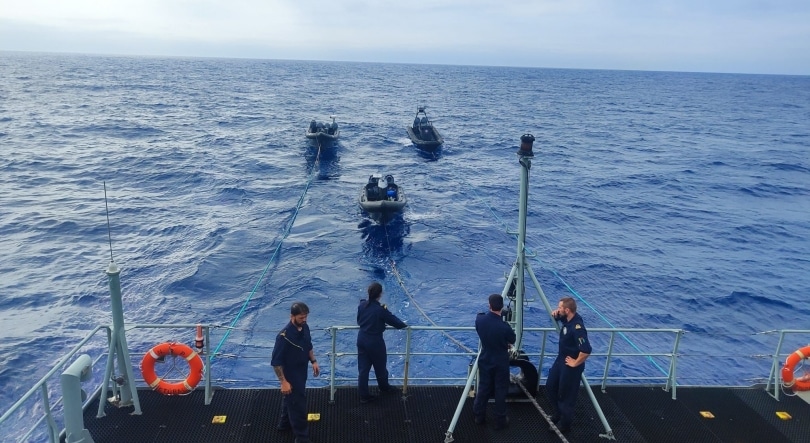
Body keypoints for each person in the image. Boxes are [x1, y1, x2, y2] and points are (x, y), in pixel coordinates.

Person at [271, 302, 320, 443]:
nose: (304, 320)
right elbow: (276, 362)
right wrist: (284, 382)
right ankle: (302, 437)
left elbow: (308, 345)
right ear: (291, 316)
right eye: (301, 318)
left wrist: (313, 361)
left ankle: (284, 424)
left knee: (290, 400)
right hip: (291, 375)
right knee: (298, 405)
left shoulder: (305, 328)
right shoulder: (283, 337)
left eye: (305, 317)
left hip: (302, 370)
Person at [546, 297, 591, 434]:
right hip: (561, 360)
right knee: (550, 387)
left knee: (566, 396)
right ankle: (558, 413)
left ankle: (565, 425)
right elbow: (565, 320)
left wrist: (575, 362)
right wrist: (558, 316)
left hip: (570, 366)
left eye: (560, 308)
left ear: (567, 310)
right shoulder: (569, 318)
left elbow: (586, 350)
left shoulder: (578, 328)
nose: (558, 309)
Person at [357, 281, 407, 403]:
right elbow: (397, 323)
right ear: (380, 294)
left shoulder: (362, 305)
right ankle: (384, 387)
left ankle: (364, 395)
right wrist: (406, 325)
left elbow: (359, 320)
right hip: (375, 341)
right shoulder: (380, 310)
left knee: (363, 369)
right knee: (380, 367)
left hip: (361, 339)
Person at [473, 294, 516, 430]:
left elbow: (480, 323)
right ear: (502, 307)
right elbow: (512, 339)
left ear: (489, 305)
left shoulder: (480, 320)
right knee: (500, 391)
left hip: (485, 359)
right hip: (501, 362)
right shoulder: (504, 327)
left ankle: (479, 416)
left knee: (484, 388)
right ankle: (500, 420)